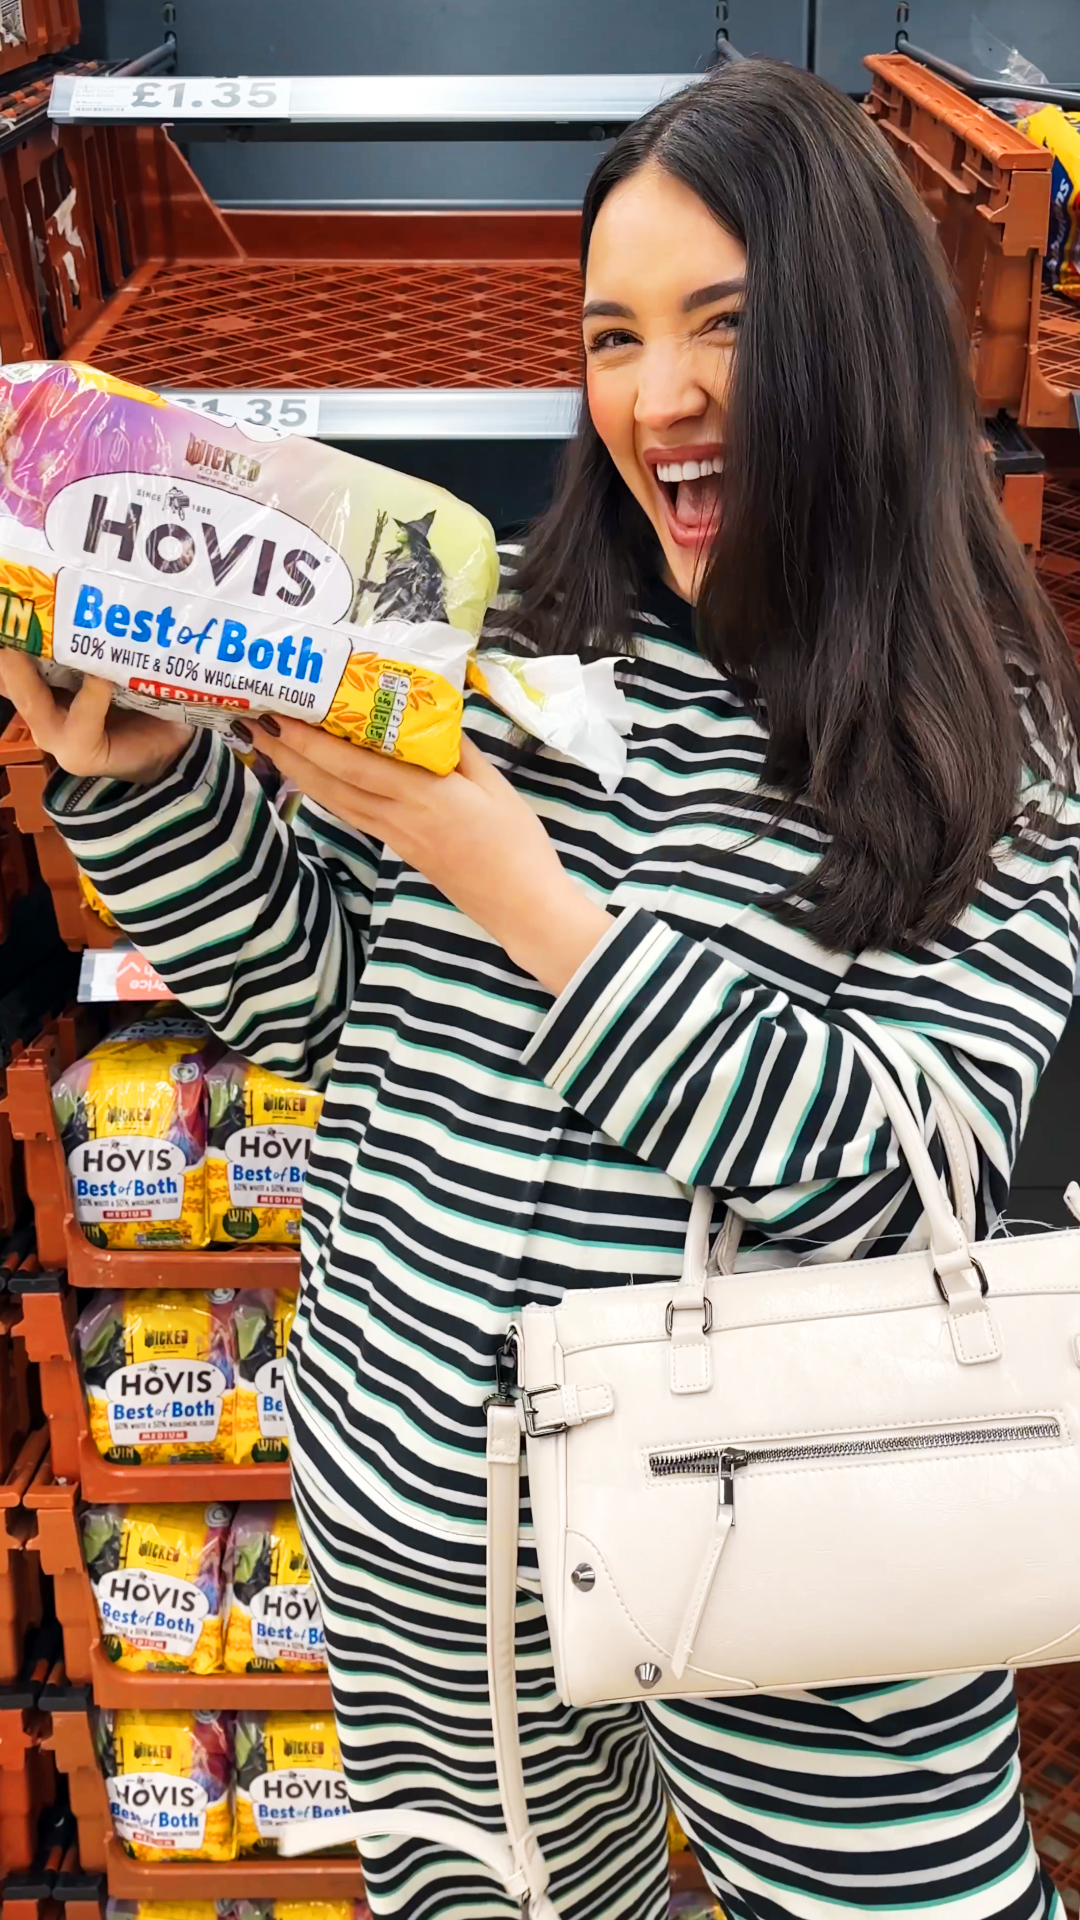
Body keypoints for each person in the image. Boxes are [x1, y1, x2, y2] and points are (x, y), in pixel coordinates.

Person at [3, 56, 1078, 1920]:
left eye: (726, 324)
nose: (658, 395)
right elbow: (320, 1001)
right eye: (611, 335)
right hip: (431, 1535)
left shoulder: (990, 747)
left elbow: (882, 1179)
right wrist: (152, 785)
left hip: (795, 1553)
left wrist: (533, 899)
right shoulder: (499, 635)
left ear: (867, 345)